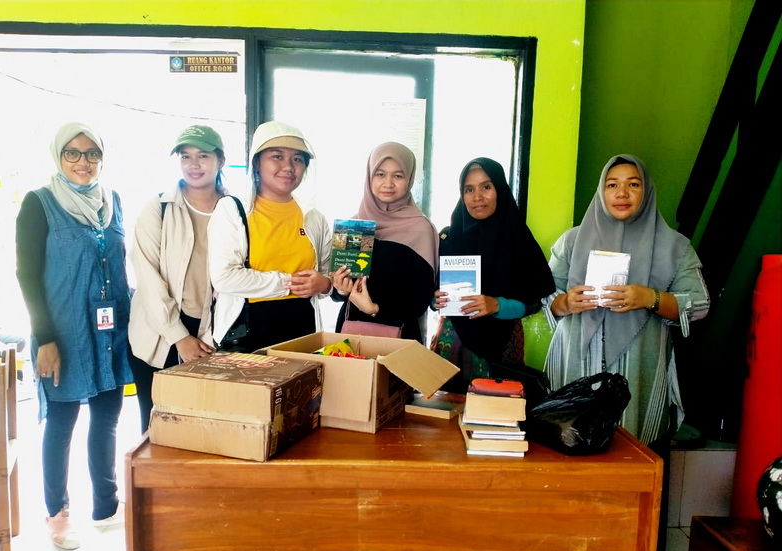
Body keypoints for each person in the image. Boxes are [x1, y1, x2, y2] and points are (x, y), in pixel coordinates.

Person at [15, 122, 132, 550]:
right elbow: (27, 275)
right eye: (73, 153)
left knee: (107, 417)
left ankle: (106, 506)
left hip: (111, 330)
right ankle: (57, 513)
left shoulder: (112, 202)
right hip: (63, 333)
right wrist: (44, 338)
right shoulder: (39, 203)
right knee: (62, 422)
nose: (83, 162)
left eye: (92, 153)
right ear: (58, 156)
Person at [543, 154, 710, 447]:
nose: (622, 193)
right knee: (571, 447)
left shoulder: (675, 247)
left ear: (647, 191)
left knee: (634, 453)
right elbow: (544, 295)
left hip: (640, 370)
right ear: (601, 191)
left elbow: (699, 304)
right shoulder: (571, 242)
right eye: (612, 185)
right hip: (575, 367)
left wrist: (650, 298)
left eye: (633, 184)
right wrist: (566, 302)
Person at [127, 125, 226, 433]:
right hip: (158, 334)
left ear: (220, 161)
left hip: (211, 335)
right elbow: (147, 276)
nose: (193, 164)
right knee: (155, 431)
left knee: (202, 431)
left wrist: (208, 338)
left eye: (203, 156)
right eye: (185, 156)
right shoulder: (158, 208)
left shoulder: (236, 211)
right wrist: (178, 336)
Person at [431, 157, 555, 391]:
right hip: (451, 342)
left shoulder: (518, 239)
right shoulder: (448, 238)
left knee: (497, 409)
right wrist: (434, 299)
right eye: (469, 189)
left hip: (502, 345)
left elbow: (534, 302)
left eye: (486, 187)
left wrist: (497, 305)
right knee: (443, 407)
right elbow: (430, 289)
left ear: (500, 189)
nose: (477, 197)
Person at [208, 120, 332, 351]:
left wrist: (324, 284)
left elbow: (326, 275)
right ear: (257, 162)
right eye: (277, 156)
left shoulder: (313, 217)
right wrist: (288, 284)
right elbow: (224, 277)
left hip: (303, 332)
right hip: (247, 335)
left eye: (297, 159)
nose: (288, 167)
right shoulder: (233, 210)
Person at [332, 142, 438, 343]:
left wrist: (375, 309)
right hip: (350, 333)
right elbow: (339, 293)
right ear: (369, 176)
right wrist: (341, 288)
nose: (388, 183)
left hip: (399, 337)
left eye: (398, 176)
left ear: (409, 179)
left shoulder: (420, 228)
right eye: (380, 174)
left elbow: (419, 300)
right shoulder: (354, 226)